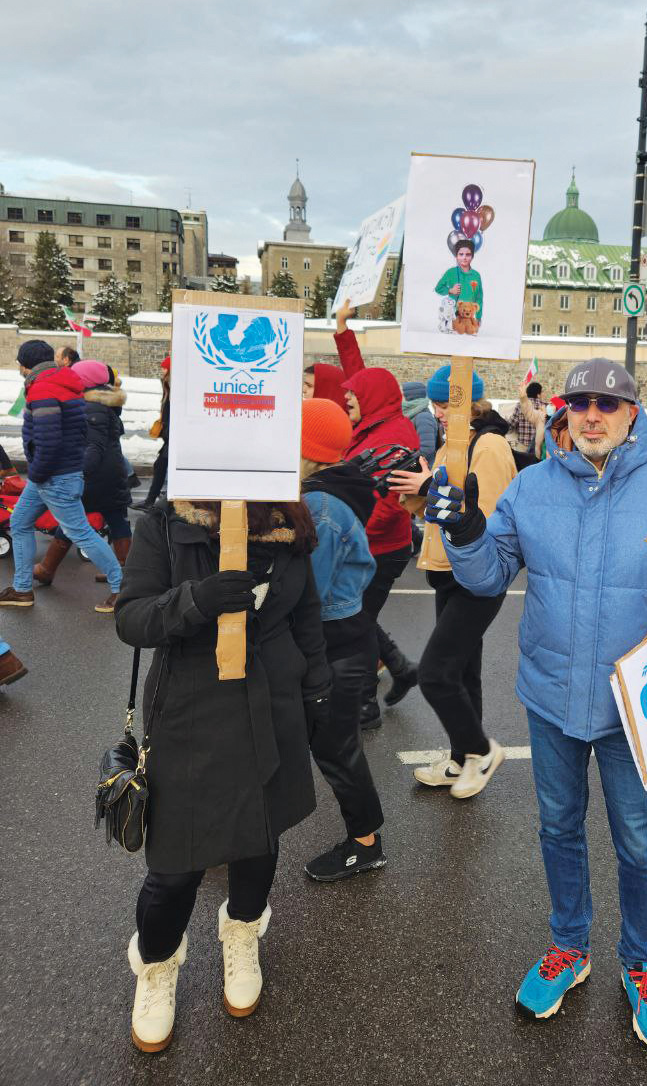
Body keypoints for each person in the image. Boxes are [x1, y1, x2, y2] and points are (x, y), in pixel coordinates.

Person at [428, 358, 647, 1047]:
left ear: (632, 413)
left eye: (607, 403)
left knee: (639, 839)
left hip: (636, 709)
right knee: (558, 828)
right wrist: (467, 532)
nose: (592, 415)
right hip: (551, 698)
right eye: (580, 403)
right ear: (564, 413)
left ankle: (643, 961)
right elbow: (486, 578)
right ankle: (569, 946)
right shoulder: (533, 486)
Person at [114, 496, 331, 1053]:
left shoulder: (287, 521)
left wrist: (317, 691)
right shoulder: (167, 523)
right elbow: (132, 618)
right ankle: (157, 965)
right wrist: (196, 599)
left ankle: (243, 931)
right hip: (190, 709)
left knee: (259, 839)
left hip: (275, 705)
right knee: (175, 864)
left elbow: (306, 615)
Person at [388, 365, 517, 797]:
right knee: (462, 673)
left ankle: (480, 750)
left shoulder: (490, 445)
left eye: (445, 404)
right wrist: (416, 491)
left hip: (478, 576)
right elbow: (443, 510)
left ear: (470, 404)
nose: (438, 412)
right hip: (449, 570)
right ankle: (463, 760)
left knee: (435, 674)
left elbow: (488, 516)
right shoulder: (456, 443)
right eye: (436, 404)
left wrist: (430, 486)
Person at [299, 398, 387, 882]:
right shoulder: (319, 493)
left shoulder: (321, 506)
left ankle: (366, 844)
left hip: (336, 647)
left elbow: (307, 593)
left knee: (337, 751)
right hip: (337, 641)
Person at [334, 300, 420, 725]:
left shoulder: (398, 434)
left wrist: (347, 536)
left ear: (370, 399)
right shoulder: (374, 420)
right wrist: (343, 330)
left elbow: (388, 507)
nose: (346, 397)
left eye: (352, 395)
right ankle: (401, 668)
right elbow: (362, 377)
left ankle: (365, 706)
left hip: (380, 548)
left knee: (356, 622)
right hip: (365, 543)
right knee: (359, 617)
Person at [0, 340, 123, 613]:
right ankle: (22, 589)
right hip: (54, 473)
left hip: (53, 475)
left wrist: (38, 472)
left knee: (80, 532)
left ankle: (122, 588)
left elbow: (49, 440)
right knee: (19, 523)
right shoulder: (61, 383)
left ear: (27, 364)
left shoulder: (43, 388)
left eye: (20, 362)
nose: (19, 367)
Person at [33, 360, 132, 589]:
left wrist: (77, 472)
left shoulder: (92, 406)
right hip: (111, 474)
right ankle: (123, 571)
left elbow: (94, 448)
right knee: (116, 520)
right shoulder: (103, 402)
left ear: (85, 381)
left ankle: (47, 569)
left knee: (72, 520)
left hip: (96, 477)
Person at [135, 357, 171, 511]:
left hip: (172, 437)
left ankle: (153, 501)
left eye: (164, 368)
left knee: (161, 466)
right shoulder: (167, 387)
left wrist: (167, 431)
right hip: (169, 435)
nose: (162, 370)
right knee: (160, 466)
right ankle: (152, 500)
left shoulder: (172, 388)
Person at [435, 240, 483, 331]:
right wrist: (450, 290)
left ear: (472, 256)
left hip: (469, 317)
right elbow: (438, 288)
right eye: (461, 254)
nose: (464, 257)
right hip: (452, 316)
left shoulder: (476, 275)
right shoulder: (451, 272)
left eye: (468, 254)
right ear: (456, 256)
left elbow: (479, 297)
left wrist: (478, 317)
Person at [402, 380, 438, 467]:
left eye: (402, 394)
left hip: (422, 469)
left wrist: (404, 462)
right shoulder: (412, 414)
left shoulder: (423, 417)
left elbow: (427, 449)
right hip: (415, 466)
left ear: (410, 396)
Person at [508, 381, 548, 459]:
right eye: (542, 392)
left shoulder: (520, 405)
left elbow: (512, 423)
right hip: (539, 448)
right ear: (538, 394)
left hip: (522, 445)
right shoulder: (545, 407)